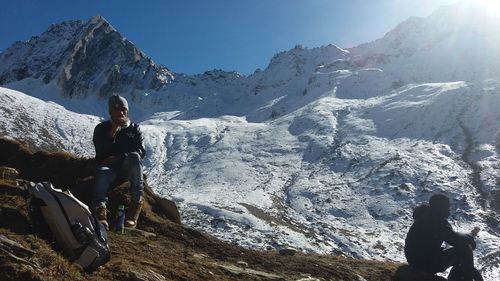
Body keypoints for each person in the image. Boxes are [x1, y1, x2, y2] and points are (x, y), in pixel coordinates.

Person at [92, 94, 146, 230]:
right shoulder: (101, 128)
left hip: (126, 168)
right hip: (108, 168)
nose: (121, 112)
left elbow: (141, 151)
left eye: (124, 109)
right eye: (117, 109)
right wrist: (112, 132)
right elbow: (100, 150)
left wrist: (120, 157)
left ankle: (134, 208)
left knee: (134, 156)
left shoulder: (135, 129)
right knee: (103, 172)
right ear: (111, 112)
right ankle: (100, 210)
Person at [404, 194, 483, 281]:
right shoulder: (436, 221)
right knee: (465, 250)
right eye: (447, 207)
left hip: (416, 261)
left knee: (460, 258)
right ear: (440, 208)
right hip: (424, 263)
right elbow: (454, 239)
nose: (449, 210)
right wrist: (470, 239)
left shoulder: (426, 217)